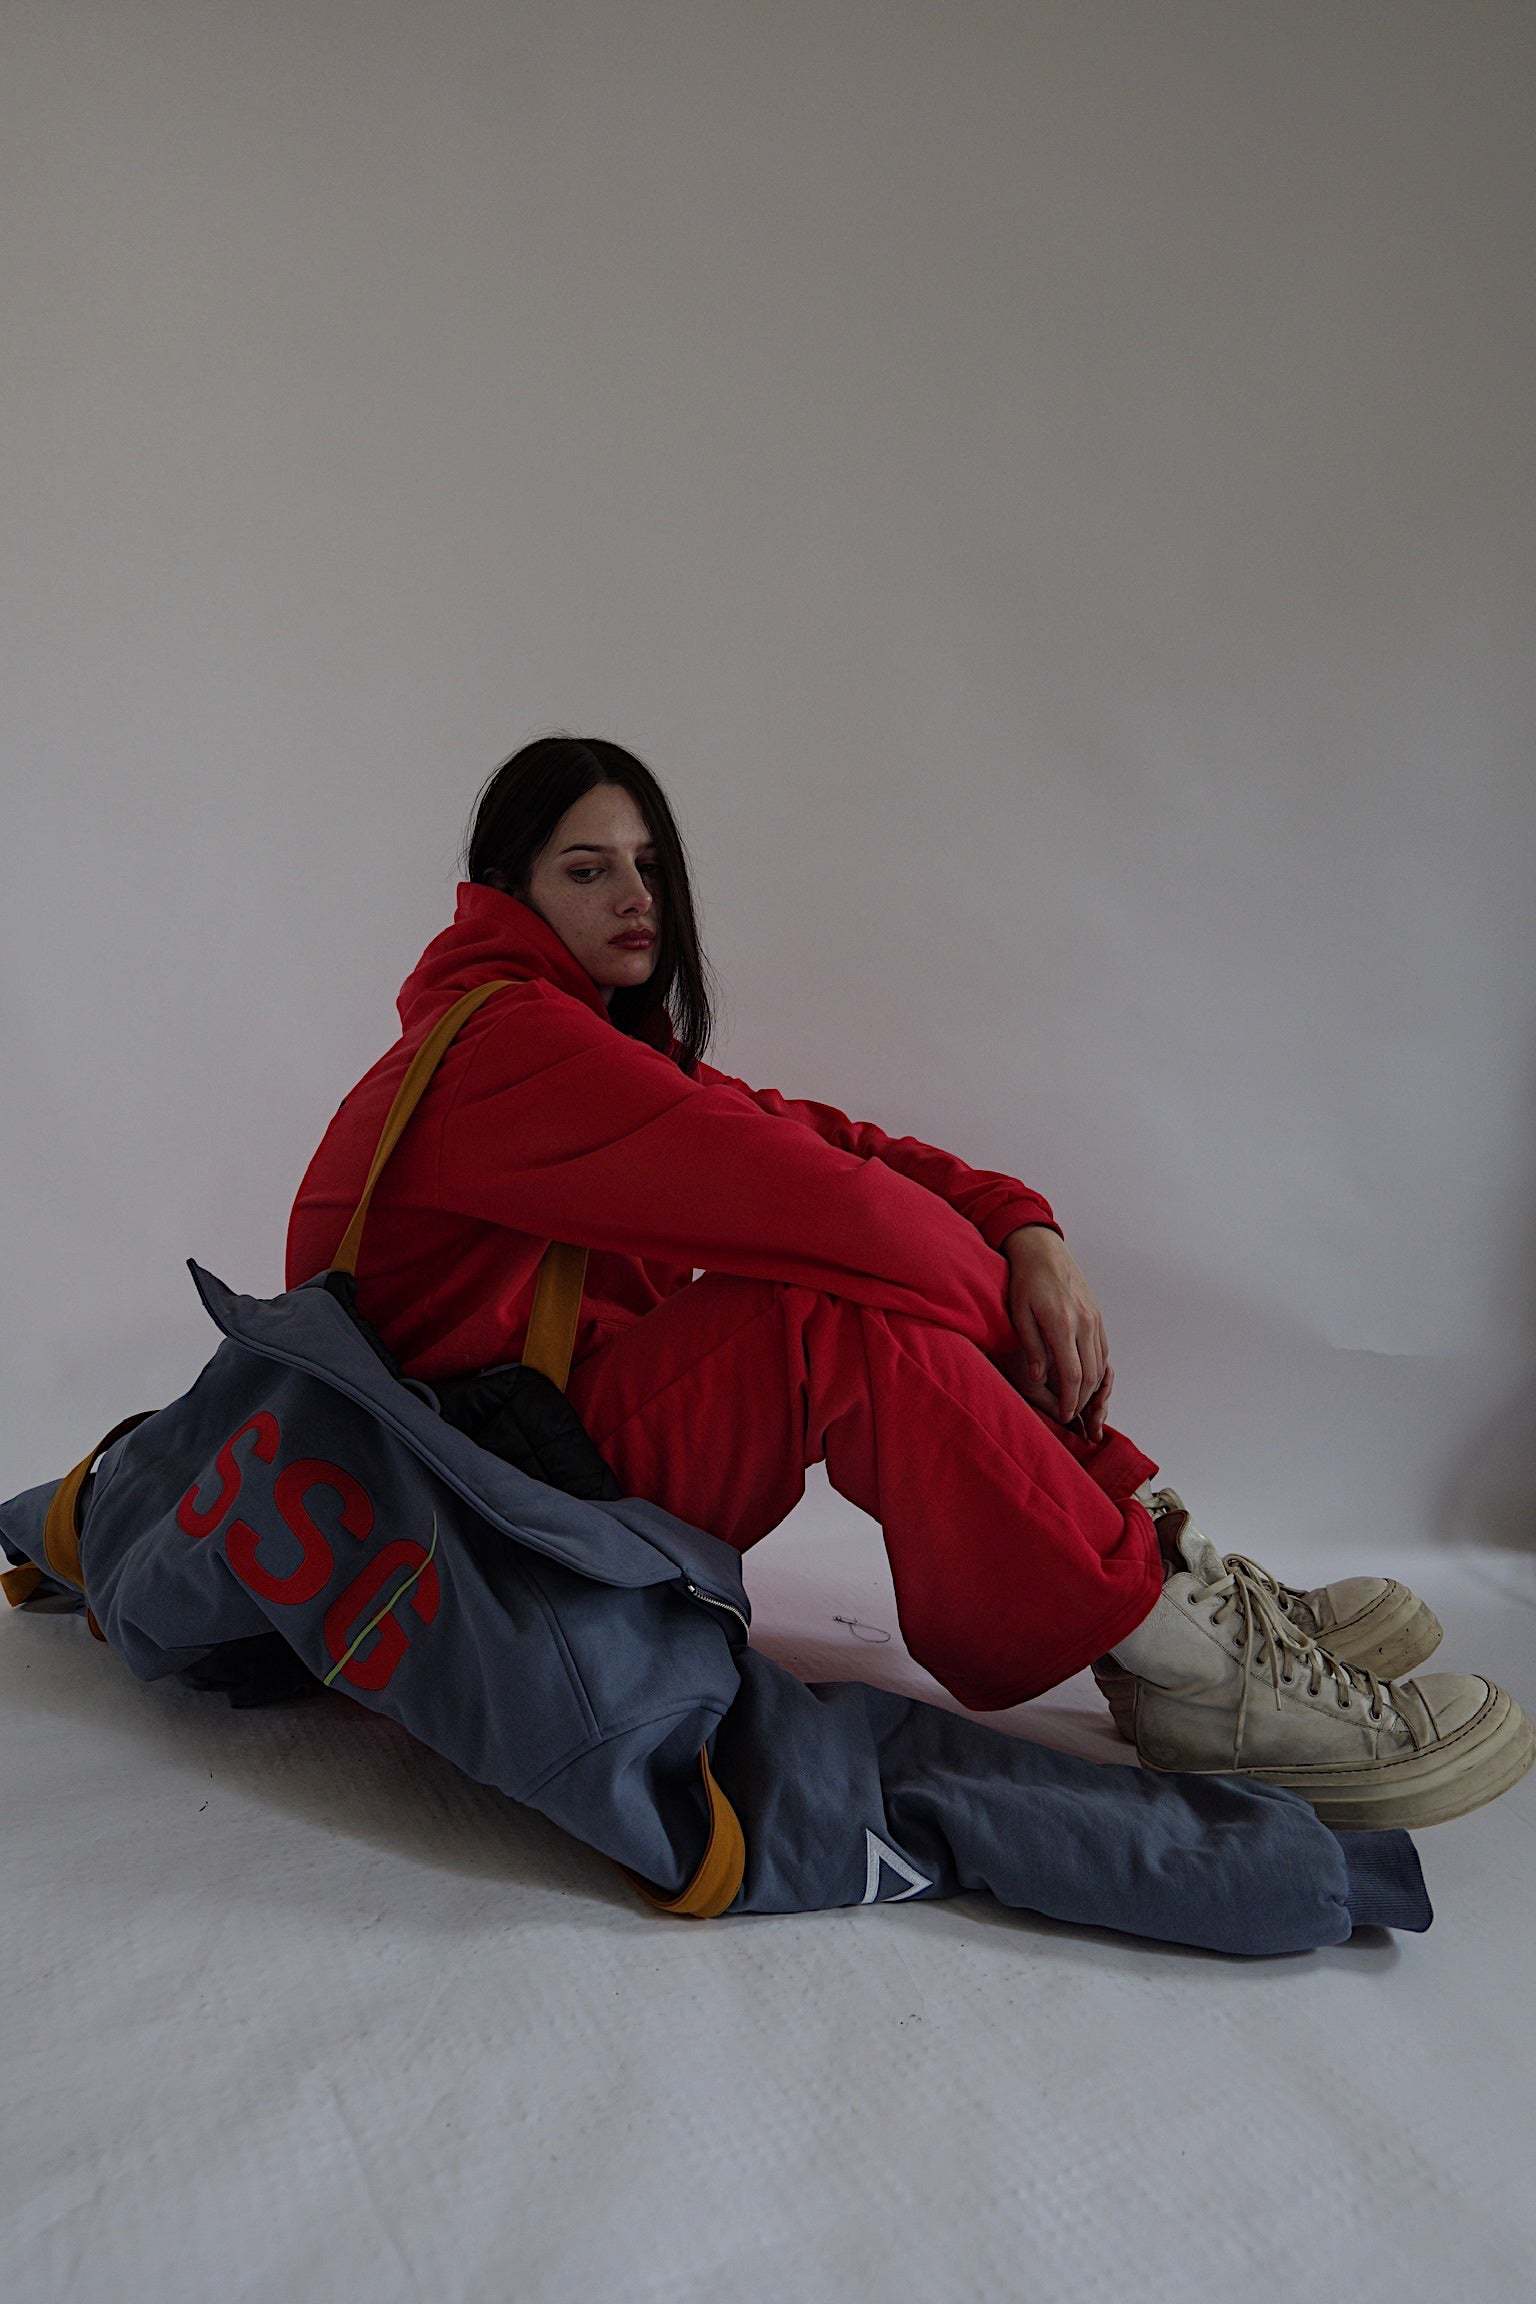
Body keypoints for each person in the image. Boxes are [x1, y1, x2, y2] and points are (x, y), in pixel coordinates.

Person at [287, 734, 1534, 1832]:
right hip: (482, 1530)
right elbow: (837, 1211)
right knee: (829, 1310)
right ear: (502, 890)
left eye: (650, 866)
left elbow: (828, 1144)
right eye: (587, 868)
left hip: (528, 1473)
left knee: (851, 1292)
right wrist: (1027, 1338)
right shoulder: (512, 1047)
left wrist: (1022, 1225)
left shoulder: (578, 1042)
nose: (636, 898)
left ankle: (1163, 1604)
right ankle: (1182, 1648)